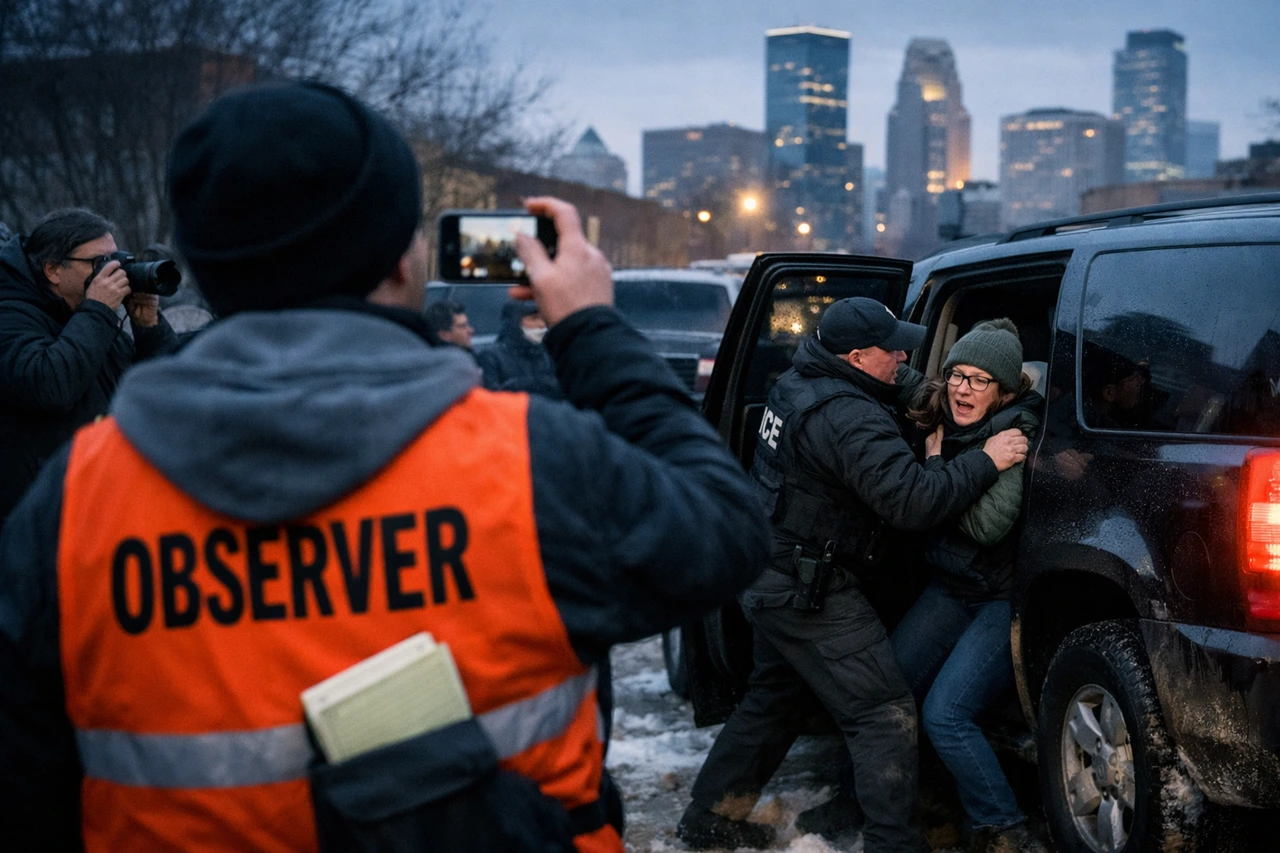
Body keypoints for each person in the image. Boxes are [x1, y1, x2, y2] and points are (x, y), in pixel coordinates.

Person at [0, 81, 769, 853]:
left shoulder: (72, 503)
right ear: (403, 261)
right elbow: (725, 527)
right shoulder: (529, 459)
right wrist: (593, 328)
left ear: (199, 263)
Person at [677, 298, 1030, 853]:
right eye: (893, 350)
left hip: (767, 569)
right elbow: (914, 502)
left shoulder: (800, 379)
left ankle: (710, 816)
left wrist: (932, 396)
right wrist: (982, 460)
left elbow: (905, 382)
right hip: (808, 588)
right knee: (884, 713)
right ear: (859, 356)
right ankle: (894, 843)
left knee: (776, 696)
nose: (904, 356)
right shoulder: (850, 417)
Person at [891, 320, 1046, 853]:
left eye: (980, 380)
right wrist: (861, 345)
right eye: (958, 374)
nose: (962, 388)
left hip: (999, 599)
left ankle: (1003, 830)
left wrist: (938, 464)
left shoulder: (1012, 437)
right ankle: (925, 809)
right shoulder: (949, 403)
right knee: (888, 690)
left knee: (945, 713)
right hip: (951, 585)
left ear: (1004, 390)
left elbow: (986, 527)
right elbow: (910, 380)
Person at [0, 207, 177, 525]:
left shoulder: (87, 312)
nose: (113, 273)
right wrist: (97, 310)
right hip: (46, 514)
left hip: (106, 498)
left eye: (114, 259)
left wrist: (148, 327)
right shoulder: (10, 313)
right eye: (98, 264)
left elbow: (161, 391)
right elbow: (48, 386)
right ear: (53, 269)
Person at [477, 299, 561, 396]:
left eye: (544, 319)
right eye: (534, 318)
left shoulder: (549, 353)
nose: (542, 325)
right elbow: (490, 398)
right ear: (514, 323)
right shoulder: (491, 356)